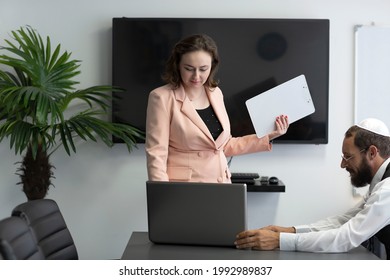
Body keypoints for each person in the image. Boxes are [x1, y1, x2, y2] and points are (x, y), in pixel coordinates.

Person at [235, 118, 390, 259]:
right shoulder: (380, 184)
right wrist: (290, 231)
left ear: (372, 153)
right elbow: (344, 221)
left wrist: (279, 241)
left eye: (347, 157)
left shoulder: (387, 189)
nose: (342, 165)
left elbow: (346, 237)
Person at [145, 34, 289, 183]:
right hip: (183, 187)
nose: (196, 76)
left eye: (203, 69)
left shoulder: (215, 93)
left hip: (220, 183)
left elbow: (224, 145)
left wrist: (269, 136)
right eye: (189, 68)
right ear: (177, 65)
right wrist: (160, 194)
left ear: (212, 66)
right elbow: (156, 153)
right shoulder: (161, 97)